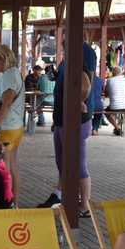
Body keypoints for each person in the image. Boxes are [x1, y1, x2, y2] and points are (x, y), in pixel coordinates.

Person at [38, 43, 94, 217]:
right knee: (62, 161)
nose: (63, 50)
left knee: (79, 164)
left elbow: (86, 83)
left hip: (77, 121)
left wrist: (81, 101)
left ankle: (84, 205)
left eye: (65, 47)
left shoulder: (82, 60)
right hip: (62, 119)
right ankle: (63, 196)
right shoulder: (66, 62)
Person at [0, 45, 24, 205]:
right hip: (14, 127)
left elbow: (6, 103)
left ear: (3, 59)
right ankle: (13, 203)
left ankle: (6, 202)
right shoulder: (12, 74)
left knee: (5, 168)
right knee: (12, 166)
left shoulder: (9, 76)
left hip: (6, 128)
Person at [104, 67, 125, 136]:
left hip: (115, 107)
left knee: (106, 112)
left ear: (113, 73)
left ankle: (117, 127)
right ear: (121, 73)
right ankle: (119, 125)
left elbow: (106, 94)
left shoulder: (109, 80)